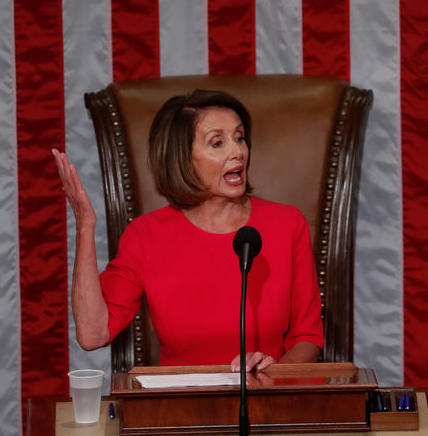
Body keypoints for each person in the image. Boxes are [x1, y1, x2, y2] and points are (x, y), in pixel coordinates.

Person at [52, 89, 323, 372]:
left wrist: (271, 377)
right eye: (218, 143)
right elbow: (93, 334)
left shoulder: (287, 223)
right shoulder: (145, 236)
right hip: (182, 408)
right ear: (182, 158)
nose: (238, 151)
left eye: (240, 137)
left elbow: (308, 338)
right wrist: (85, 226)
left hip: (270, 407)